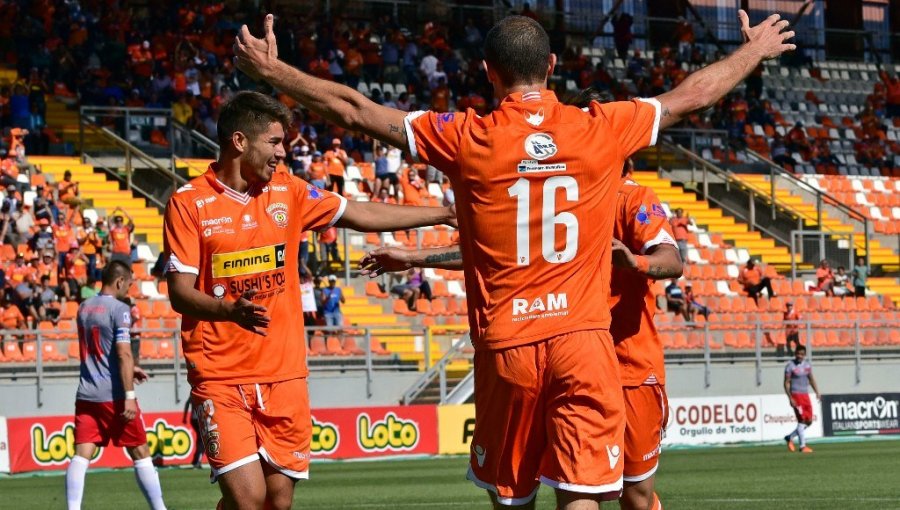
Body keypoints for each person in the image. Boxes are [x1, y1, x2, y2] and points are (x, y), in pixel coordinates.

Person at [235, 10, 794, 508]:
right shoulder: (601, 127)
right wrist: (753, 50)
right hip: (583, 341)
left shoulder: (464, 136)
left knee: (513, 498)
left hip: (508, 347)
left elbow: (355, 109)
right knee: (584, 497)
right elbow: (690, 95)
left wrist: (274, 74)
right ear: (552, 64)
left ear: (488, 71)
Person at [163, 91, 456, 510]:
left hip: (284, 373)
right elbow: (179, 293)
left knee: (277, 502)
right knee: (249, 499)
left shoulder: (289, 192)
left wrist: (440, 214)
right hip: (220, 374)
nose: (283, 153)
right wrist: (228, 311)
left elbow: (359, 213)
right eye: (275, 142)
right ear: (240, 141)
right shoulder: (189, 202)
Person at [361, 152, 683, 510]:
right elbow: (490, 254)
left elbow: (671, 260)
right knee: (530, 489)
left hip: (627, 367)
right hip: (561, 359)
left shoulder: (632, 198)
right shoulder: (549, 198)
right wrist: (413, 257)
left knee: (634, 496)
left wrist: (632, 261)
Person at [64, 260, 167, 510]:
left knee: (82, 454)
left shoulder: (83, 308)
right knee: (141, 453)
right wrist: (129, 393)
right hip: (115, 395)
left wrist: (132, 369)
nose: (130, 289)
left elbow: (101, 351)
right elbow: (122, 353)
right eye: (130, 284)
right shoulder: (120, 309)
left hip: (87, 393)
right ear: (120, 281)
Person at [783, 345, 820, 454]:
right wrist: (790, 397)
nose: (800, 356)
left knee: (809, 421)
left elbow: (811, 379)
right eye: (798, 353)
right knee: (802, 420)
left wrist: (817, 392)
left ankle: (790, 437)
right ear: (795, 353)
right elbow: (786, 382)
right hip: (796, 395)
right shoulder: (790, 366)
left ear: (804, 355)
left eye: (802, 354)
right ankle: (803, 446)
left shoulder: (807, 365)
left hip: (805, 395)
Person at [181, 399, 205, 469]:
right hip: (200, 419)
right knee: (203, 441)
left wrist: (184, 417)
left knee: (200, 439)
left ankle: (196, 460)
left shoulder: (192, 392)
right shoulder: (202, 391)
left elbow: (187, 403)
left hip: (193, 418)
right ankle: (197, 461)